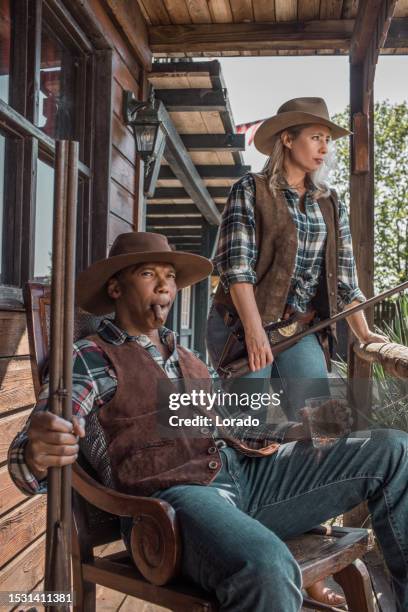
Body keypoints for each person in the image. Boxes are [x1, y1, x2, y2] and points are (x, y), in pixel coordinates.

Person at [8, 232, 408, 612]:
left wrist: (292, 430)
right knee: (267, 567)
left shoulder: (189, 359)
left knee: (394, 450)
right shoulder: (91, 356)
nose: (165, 286)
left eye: (169, 277)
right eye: (148, 274)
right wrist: (39, 451)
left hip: (246, 478)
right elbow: (32, 456)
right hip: (173, 502)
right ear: (116, 289)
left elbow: (227, 429)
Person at [206, 98, 388, 605]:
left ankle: (311, 565)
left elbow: (346, 281)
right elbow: (236, 269)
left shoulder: (329, 201)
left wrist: (367, 335)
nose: (325, 147)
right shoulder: (252, 189)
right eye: (316, 136)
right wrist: (256, 331)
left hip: (301, 330)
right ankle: (248, 551)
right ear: (286, 138)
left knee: (327, 430)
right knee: (251, 432)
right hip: (243, 329)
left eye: (329, 139)